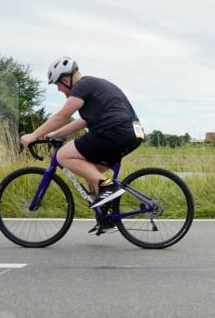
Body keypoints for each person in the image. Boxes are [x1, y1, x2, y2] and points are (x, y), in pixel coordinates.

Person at [20, 57, 144, 208]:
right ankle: (105, 214)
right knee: (89, 170)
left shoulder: (81, 86)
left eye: (57, 84)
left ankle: (108, 186)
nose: (58, 89)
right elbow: (83, 121)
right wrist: (56, 134)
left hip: (113, 131)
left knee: (62, 155)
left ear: (66, 79)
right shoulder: (94, 85)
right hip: (132, 134)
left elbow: (62, 116)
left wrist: (34, 135)